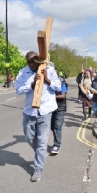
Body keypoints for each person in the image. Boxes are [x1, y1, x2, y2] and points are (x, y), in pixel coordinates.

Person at [15, 51, 61, 182]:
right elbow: (18, 90)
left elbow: (58, 87)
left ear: (38, 60)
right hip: (29, 111)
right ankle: (40, 154)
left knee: (42, 141)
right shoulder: (23, 73)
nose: (31, 65)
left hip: (45, 111)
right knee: (29, 138)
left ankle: (38, 168)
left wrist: (47, 79)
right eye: (28, 62)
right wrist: (31, 85)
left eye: (33, 62)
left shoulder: (50, 69)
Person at [50, 69, 68, 155]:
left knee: (57, 126)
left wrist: (51, 97)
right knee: (52, 127)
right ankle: (57, 142)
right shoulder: (49, 83)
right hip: (50, 107)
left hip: (60, 107)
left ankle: (57, 145)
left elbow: (63, 95)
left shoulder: (62, 83)